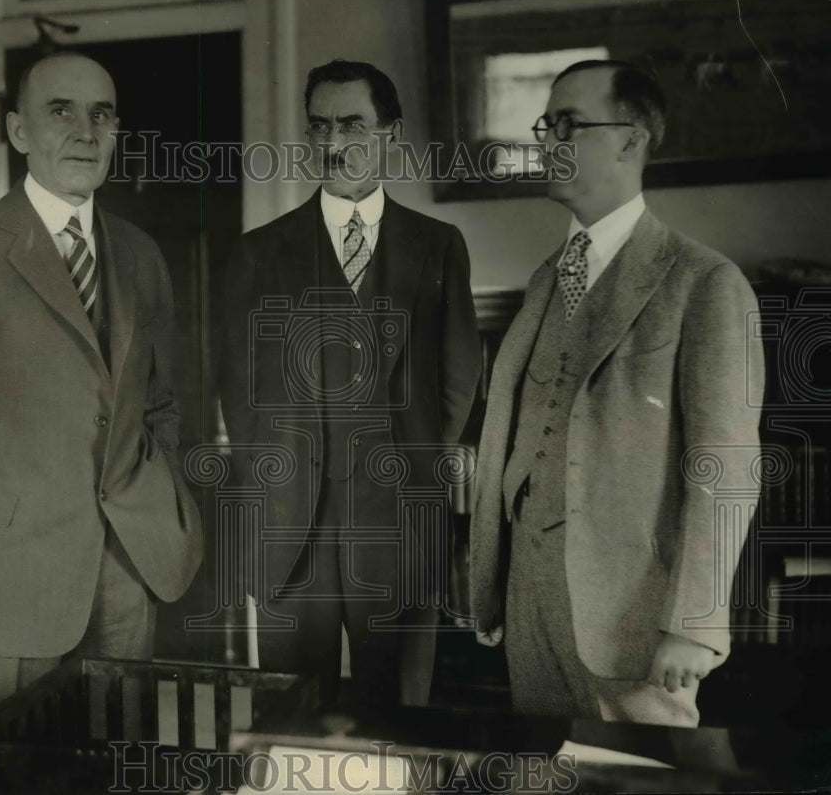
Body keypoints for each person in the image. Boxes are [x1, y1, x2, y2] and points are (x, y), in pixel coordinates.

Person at [0, 51, 202, 728]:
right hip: (9, 581)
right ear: (18, 132)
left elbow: (162, 404)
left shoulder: (141, 254)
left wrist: (157, 501)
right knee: (1, 769)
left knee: (120, 762)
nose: (85, 131)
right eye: (60, 111)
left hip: (129, 572)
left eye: (102, 115)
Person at [471, 60, 763, 726]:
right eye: (546, 125)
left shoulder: (704, 282)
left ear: (630, 140)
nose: (546, 141)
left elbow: (728, 469)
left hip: (633, 617)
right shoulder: (546, 280)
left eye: (568, 124)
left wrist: (694, 623)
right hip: (529, 603)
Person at [220, 60, 480, 707]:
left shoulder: (438, 246)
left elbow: (458, 378)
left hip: (399, 523)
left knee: (398, 715)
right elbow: (239, 392)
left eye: (352, 125)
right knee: (289, 713)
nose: (333, 145)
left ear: (390, 133)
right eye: (319, 127)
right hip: (291, 529)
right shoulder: (260, 252)